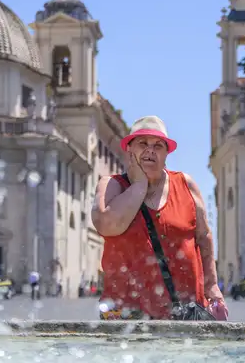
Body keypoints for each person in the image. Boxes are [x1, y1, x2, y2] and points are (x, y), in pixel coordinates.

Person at [92, 115, 225, 320]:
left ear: (166, 153)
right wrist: (139, 185)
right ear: (130, 150)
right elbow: (106, 225)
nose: (150, 150)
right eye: (143, 143)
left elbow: (204, 237)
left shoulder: (185, 184)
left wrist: (212, 285)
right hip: (124, 316)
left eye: (158, 145)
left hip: (184, 313)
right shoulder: (112, 185)